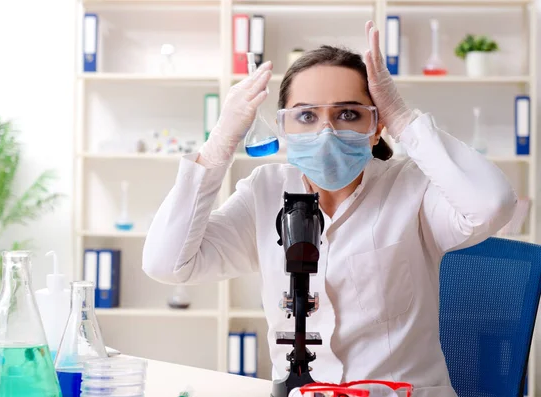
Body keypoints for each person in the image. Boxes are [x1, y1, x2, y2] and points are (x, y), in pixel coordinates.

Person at [142, 21, 517, 396]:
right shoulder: (266, 191)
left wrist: (402, 118)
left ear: (375, 126)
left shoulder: (413, 187)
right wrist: (220, 143)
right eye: (306, 116)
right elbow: (168, 263)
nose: (327, 132)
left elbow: (492, 206)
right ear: (283, 130)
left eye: (348, 114)